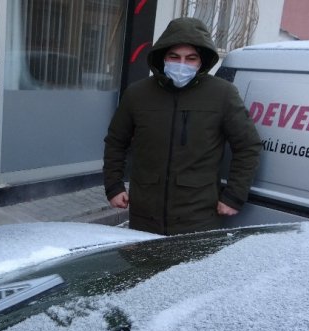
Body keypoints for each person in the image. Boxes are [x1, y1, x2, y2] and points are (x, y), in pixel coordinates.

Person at [103, 17, 261, 235]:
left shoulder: (222, 94)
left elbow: (248, 146)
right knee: (144, 268)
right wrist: (114, 186)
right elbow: (115, 142)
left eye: (191, 58)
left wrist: (234, 196)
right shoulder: (138, 94)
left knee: (191, 270)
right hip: (144, 216)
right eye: (174, 57)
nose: (182, 64)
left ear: (201, 61)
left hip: (198, 217)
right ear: (163, 57)